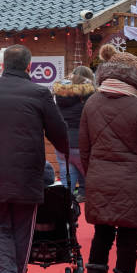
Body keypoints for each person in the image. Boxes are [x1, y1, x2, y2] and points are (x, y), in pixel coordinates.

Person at [0, 44, 69, 273]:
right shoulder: (40, 93)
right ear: (29, 66)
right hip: (27, 177)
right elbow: (60, 135)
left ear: (3, 66)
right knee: (22, 230)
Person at [80, 52, 137, 273]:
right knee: (128, 239)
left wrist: (93, 172)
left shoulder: (91, 102)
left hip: (99, 178)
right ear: (135, 77)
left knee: (101, 234)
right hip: (133, 181)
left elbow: (84, 149)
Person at [52, 65, 95, 202]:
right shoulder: (90, 95)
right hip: (82, 142)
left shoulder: (59, 95)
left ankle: (64, 207)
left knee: (66, 180)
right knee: (90, 178)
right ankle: (85, 195)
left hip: (62, 142)